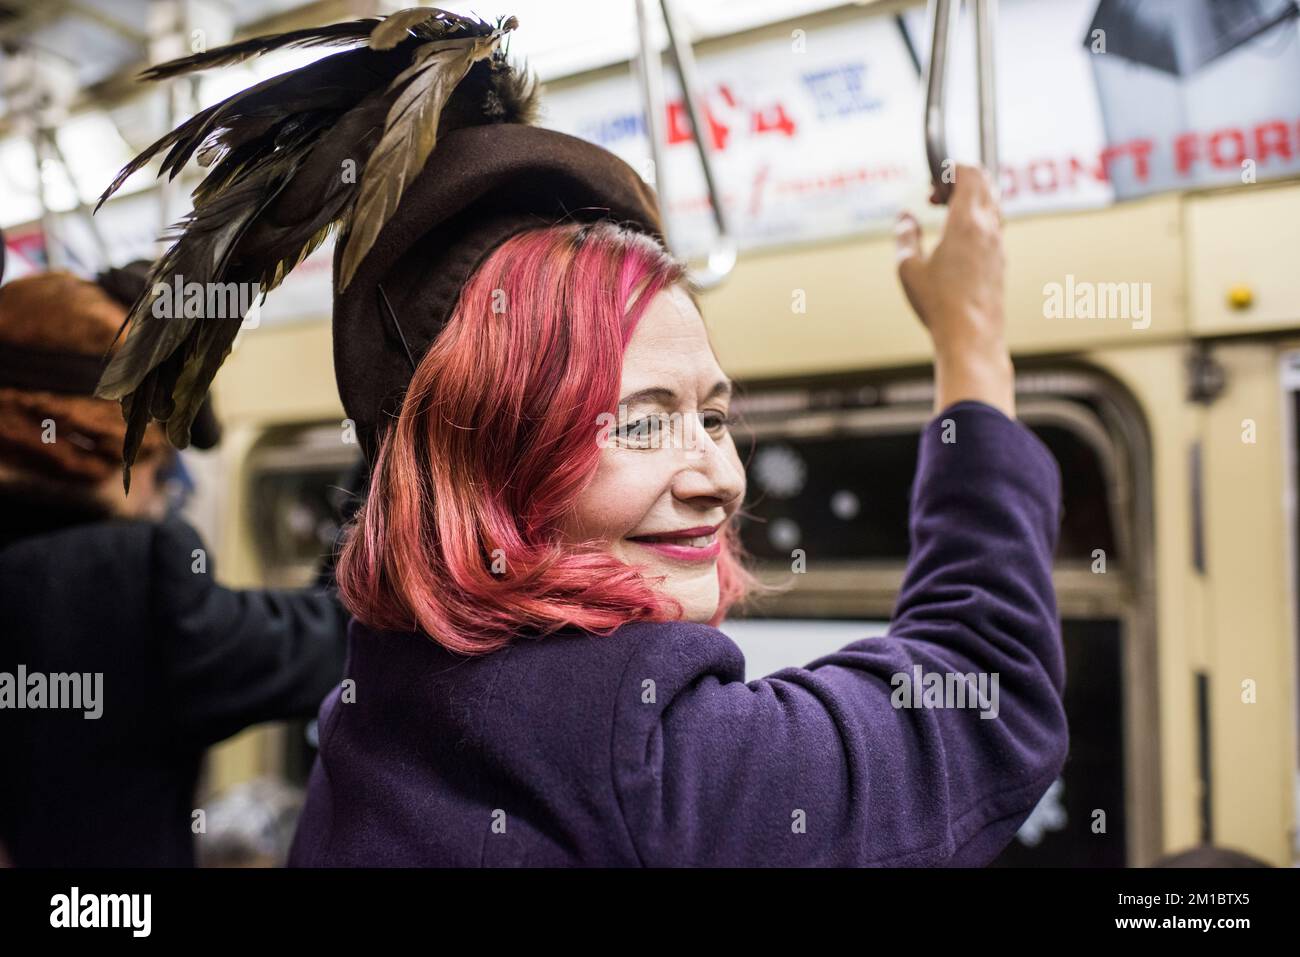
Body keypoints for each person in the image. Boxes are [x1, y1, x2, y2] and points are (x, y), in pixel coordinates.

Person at [94, 8, 1067, 866]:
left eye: (716, 416)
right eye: (639, 421)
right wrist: (971, 343)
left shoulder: (381, 712)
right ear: (487, 459)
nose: (720, 478)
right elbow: (988, 689)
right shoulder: (647, 761)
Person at [0, 268, 350, 867]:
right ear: (104, 445)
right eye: (159, 463)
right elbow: (334, 640)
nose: (164, 493)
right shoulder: (128, 580)